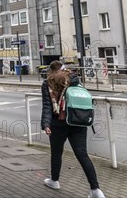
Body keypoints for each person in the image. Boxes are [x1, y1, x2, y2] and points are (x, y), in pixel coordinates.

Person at [41, 60, 105, 198]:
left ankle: (54, 181)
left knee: (56, 153)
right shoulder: (74, 79)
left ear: (51, 71)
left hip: (58, 124)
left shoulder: (48, 83)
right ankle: (96, 190)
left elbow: (47, 106)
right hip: (78, 121)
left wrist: (46, 124)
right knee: (82, 155)